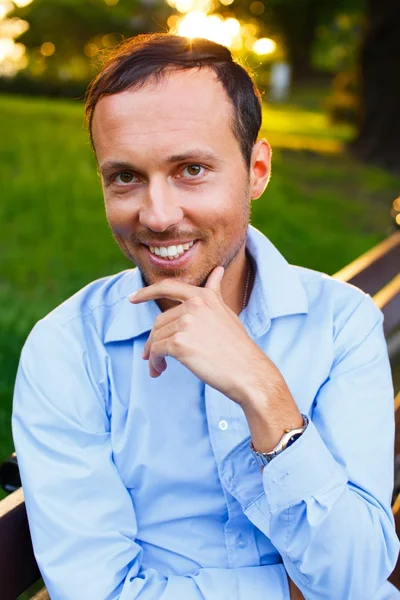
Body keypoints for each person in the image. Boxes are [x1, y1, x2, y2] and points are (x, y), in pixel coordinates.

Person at [11, 33, 399, 600]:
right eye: (125, 177)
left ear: (257, 170)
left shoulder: (341, 324)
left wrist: (264, 394)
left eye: (191, 168)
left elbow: (357, 577)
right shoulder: (68, 350)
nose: (158, 215)